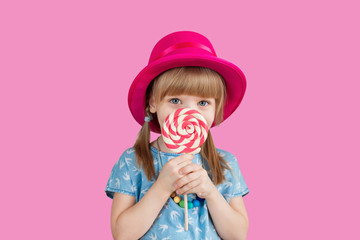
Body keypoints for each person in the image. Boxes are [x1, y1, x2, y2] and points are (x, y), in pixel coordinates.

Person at [105, 31, 250, 240]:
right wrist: (163, 186)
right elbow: (122, 234)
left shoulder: (225, 163)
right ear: (153, 102)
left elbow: (238, 235)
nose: (188, 112)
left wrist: (210, 191)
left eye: (203, 103)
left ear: (216, 107)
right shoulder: (132, 161)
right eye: (175, 100)